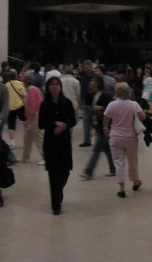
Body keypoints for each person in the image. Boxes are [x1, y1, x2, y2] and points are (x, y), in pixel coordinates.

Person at [38, 76, 76, 215]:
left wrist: (64, 126)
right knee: (53, 173)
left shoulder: (67, 103)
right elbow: (41, 124)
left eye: (57, 84)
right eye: (52, 84)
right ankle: (56, 205)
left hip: (64, 141)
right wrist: (54, 124)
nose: (54, 87)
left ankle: (58, 192)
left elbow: (73, 120)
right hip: (51, 142)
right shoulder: (44, 104)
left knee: (65, 171)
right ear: (48, 87)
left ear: (60, 87)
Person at [103, 81, 146, 198]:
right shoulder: (134, 104)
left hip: (115, 136)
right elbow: (143, 117)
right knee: (132, 161)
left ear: (117, 92)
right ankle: (135, 181)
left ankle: (122, 188)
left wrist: (105, 128)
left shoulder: (112, 105)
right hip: (130, 137)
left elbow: (106, 118)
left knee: (118, 162)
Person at [80, 75, 116, 180]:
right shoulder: (93, 94)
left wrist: (101, 108)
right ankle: (114, 169)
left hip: (105, 126)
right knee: (107, 149)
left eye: (94, 81)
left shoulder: (106, 95)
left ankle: (88, 171)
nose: (92, 83)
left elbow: (111, 107)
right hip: (99, 125)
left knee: (96, 150)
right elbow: (90, 108)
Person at [21, 73, 44, 165]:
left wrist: (28, 119)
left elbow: (33, 105)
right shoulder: (34, 89)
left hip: (35, 116)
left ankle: (45, 157)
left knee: (38, 137)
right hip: (34, 115)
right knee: (27, 138)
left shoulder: (31, 90)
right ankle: (25, 156)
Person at [5, 69, 26, 150]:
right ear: (16, 75)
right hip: (19, 106)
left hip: (10, 107)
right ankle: (28, 139)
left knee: (11, 125)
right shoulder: (20, 84)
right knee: (25, 123)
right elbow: (23, 96)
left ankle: (12, 143)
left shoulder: (6, 85)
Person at [78, 60, 94, 147]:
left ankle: (102, 141)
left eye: (87, 67)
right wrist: (80, 100)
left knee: (95, 122)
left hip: (93, 101)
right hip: (85, 101)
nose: (85, 69)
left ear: (91, 67)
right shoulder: (83, 77)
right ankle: (87, 140)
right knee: (85, 122)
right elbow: (81, 88)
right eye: (84, 68)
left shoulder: (95, 77)